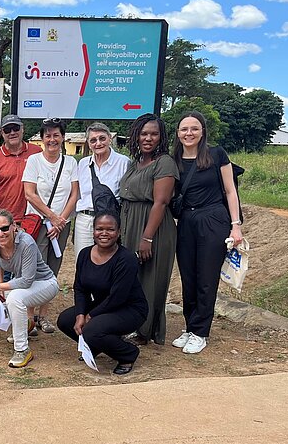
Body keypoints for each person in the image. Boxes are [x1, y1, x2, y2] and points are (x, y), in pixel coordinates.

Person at [172, 111, 244, 354]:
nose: (189, 133)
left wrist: (236, 225)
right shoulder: (175, 158)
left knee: (206, 277)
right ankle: (190, 327)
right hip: (186, 221)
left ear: (202, 131)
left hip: (213, 218)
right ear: (178, 133)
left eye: (194, 128)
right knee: (188, 277)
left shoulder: (216, 155)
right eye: (184, 129)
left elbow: (230, 191)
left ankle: (201, 331)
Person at [57, 212, 148, 375]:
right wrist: (80, 314)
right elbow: (80, 288)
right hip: (103, 305)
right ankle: (97, 345)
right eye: (99, 229)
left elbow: (118, 297)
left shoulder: (126, 258)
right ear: (93, 231)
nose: (104, 233)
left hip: (129, 309)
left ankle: (128, 354)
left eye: (110, 229)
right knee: (65, 320)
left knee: (91, 330)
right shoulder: (85, 254)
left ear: (119, 232)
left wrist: (90, 316)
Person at [120, 113, 178, 345]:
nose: (148, 138)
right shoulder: (135, 164)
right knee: (134, 279)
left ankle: (146, 331)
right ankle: (134, 325)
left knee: (150, 280)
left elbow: (161, 202)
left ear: (161, 137)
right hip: (131, 223)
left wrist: (147, 237)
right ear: (136, 136)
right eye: (144, 133)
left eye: (154, 134)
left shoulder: (164, 163)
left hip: (152, 227)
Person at [0, 209, 59, 368]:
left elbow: (27, 281)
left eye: (4, 228)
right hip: (20, 284)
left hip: (45, 283)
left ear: (14, 226)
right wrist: (0, 290)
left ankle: (22, 350)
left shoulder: (26, 242)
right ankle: (26, 325)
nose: (0, 233)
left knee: (15, 299)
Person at [22, 117, 79, 333]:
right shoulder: (34, 161)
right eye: (48, 135)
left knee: (52, 269)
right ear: (42, 138)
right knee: (33, 269)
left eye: (56, 135)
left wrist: (61, 220)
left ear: (63, 137)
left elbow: (74, 194)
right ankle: (29, 317)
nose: (52, 139)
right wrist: (51, 217)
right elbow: (30, 193)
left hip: (61, 226)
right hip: (38, 224)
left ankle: (43, 316)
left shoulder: (70, 162)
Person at [73, 122, 130, 258]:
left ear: (109, 138)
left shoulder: (124, 162)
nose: (98, 143)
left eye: (102, 138)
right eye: (93, 140)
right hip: (85, 219)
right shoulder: (83, 164)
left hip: (111, 222)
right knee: (83, 261)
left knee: (110, 262)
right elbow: (78, 194)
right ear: (88, 142)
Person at [0, 114, 42, 234]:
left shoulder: (37, 152)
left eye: (15, 128)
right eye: (7, 129)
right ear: (1, 133)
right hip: (5, 222)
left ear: (22, 129)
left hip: (34, 218)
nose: (12, 132)